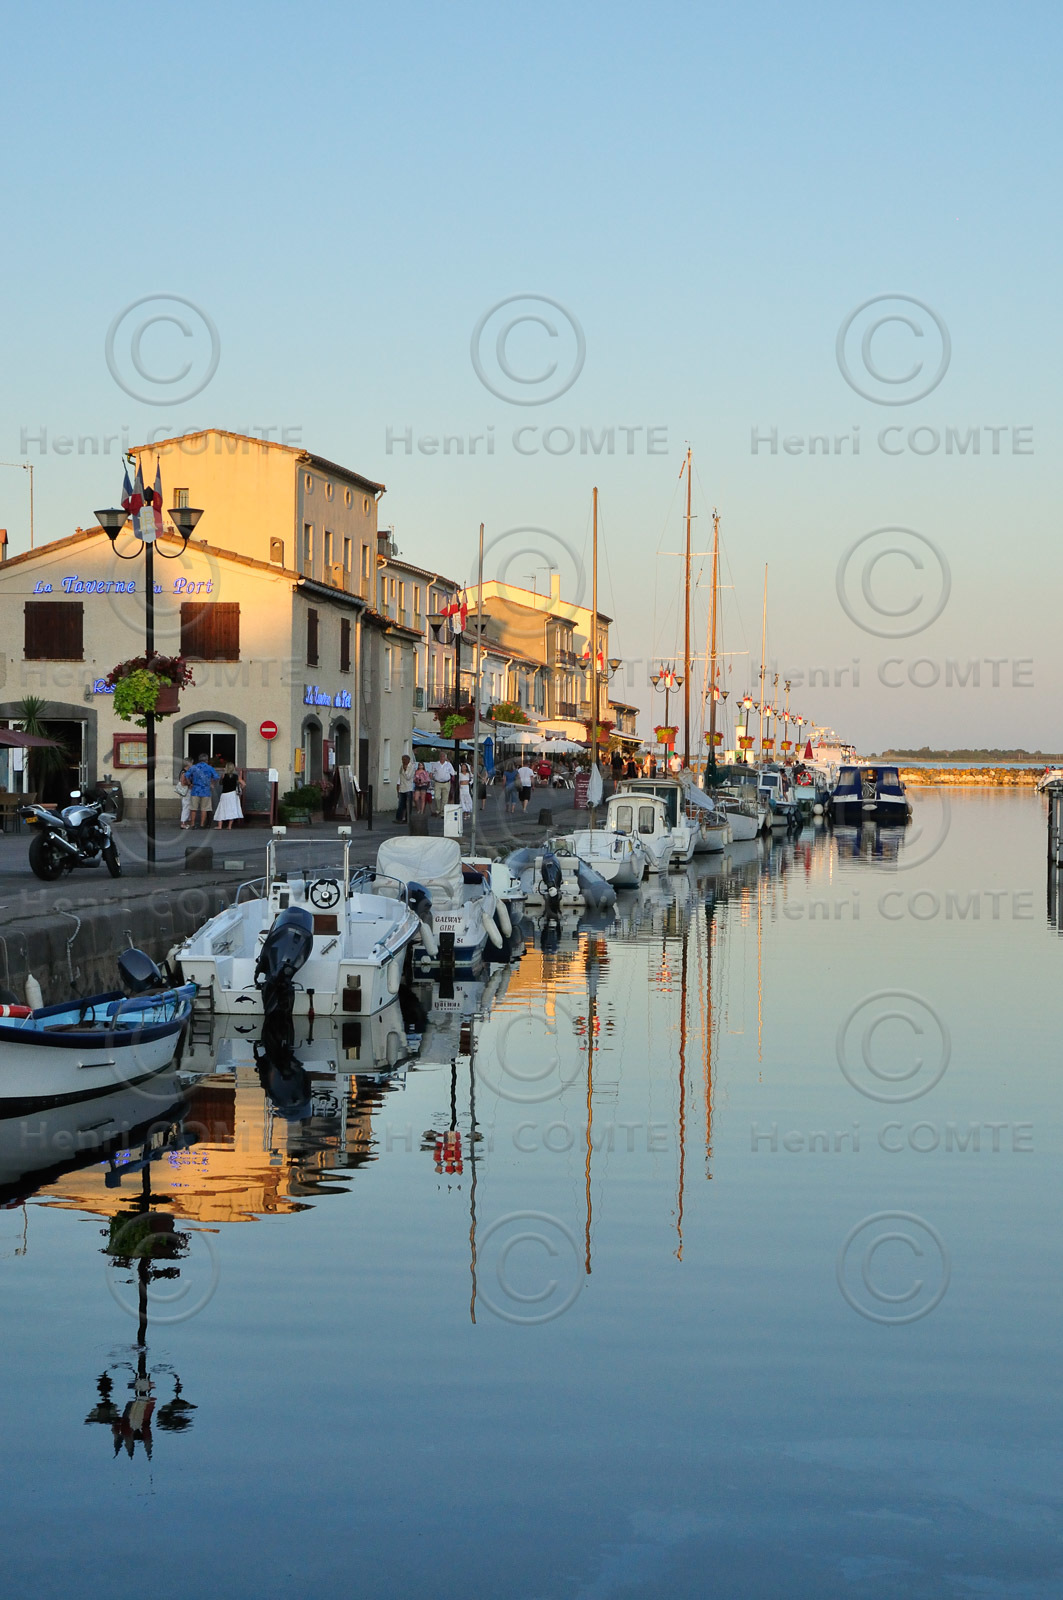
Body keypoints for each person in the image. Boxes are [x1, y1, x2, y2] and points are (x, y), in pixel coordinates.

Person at [185, 755, 218, 828]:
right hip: (206, 790)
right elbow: (216, 777)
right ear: (206, 760)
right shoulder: (210, 768)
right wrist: (212, 783)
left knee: (193, 808)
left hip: (195, 789)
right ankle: (202, 824)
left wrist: (189, 783)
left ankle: (192, 824)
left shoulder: (193, 767)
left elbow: (186, 775)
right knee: (204, 809)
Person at [213, 762, 244, 830]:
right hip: (233, 794)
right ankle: (229, 826)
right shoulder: (236, 776)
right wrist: (240, 788)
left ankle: (219, 826)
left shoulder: (223, 775)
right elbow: (244, 784)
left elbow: (221, 783)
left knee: (221, 809)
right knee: (232, 809)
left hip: (225, 794)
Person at [432, 753, 456, 817]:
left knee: (445, 799)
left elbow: (452, 773)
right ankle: (438, 809)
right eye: (441, 756)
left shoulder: (448, 764)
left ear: (445, 758)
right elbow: (432, 772)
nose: (442, 757)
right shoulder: (435, 764)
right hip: (438, 783)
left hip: (446, 783)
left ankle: (442, 812)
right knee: (437, 797)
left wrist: (452, 779)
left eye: (443, 756)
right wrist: (432, 776)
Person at [396, 753, 414, 822]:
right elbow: (400, 776)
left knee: (408, 805)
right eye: (402, 760)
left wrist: (405, 770)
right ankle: (399, 818)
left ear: (408, 760)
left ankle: (407, 818)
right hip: (402, 788)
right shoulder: (401, 766)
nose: (403, 761)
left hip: (408, 788)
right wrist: (398, 786)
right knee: (401, 804)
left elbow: (408, 777)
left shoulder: (411, 767)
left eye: (404, 760)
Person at [175, 761, 193, 829]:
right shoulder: (184, 772)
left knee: (186, 806)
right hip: (186, 791)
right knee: (186, 806)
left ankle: (185, 822)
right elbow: (183, 782)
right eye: (191, 763)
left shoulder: (183, 771)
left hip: (186, 792)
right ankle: (183, 823)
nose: (192, 764)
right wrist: (190, 784)